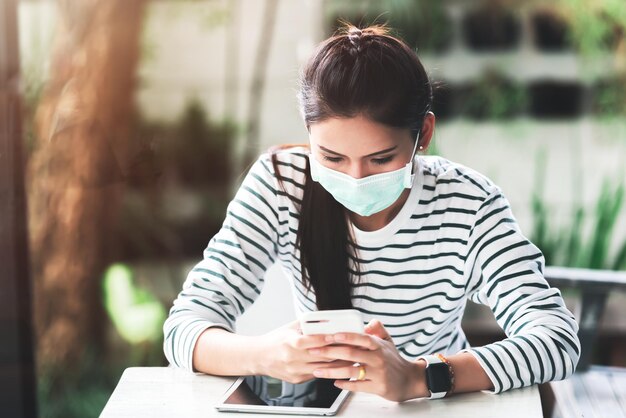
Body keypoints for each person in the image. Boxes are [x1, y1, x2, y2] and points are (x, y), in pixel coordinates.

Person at [163, 23, 580, 402]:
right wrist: (264, 355)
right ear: (308, 132)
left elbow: (556, 340)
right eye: (331, 157)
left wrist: (421, 377)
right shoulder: (281, 184)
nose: (356, 178)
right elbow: (184, 327)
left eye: (380, 159)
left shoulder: (469, 205)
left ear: (424, 135)